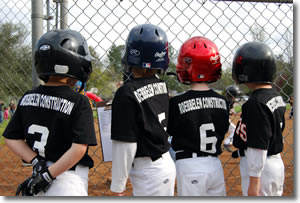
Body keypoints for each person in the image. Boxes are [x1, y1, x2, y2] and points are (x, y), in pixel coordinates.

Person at [3, 29, 97, 196]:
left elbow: (11, 137)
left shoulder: (27, 97)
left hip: (38, 177)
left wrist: (37, 162)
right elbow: (79, 149)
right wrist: (48, 175)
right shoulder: (79, 101)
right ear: (75, 63)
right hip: (67, 179)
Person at [110, 24, 176, 196]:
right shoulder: (162, 86)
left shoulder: (127, 92)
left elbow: (125, 144)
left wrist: (118, 186)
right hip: (162, 165)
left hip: (149, 172)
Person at [167, 36, 229, 196]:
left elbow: (171, 132)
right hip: (215, 164)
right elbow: (223, 128)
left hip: (189, 165)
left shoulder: (177, 102)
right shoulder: (223, 101)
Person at [231, 42, 286, 196]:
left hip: (261, 170)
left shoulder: (256, 103)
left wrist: (254, 182)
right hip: (274, 163)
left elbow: (258, 144)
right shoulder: (276, 96)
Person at [223, 85, 242, 152]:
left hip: (223, 118)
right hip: (225, 119)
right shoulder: (231, 102)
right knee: (235, 130)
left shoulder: (224, 99)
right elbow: (230, 111)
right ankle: (227, 143)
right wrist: (233, 112)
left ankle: (226, 143)